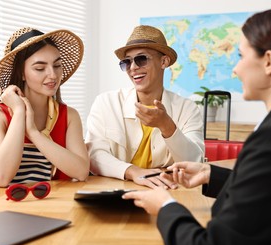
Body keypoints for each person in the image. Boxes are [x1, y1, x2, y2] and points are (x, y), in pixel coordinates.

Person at [123, 5, 271, 245]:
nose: (236, 70)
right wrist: (211, 175)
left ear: (269, 62)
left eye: (240, 56)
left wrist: (165, 207)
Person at [85, 25, 204, 188]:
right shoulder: (105, 103)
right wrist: (133, 171)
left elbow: (195, 162)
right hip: (115, 191)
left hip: (168, 190)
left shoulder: (188, 108)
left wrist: (166, 126)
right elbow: (94, 155)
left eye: (141, 59)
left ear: (164, 61)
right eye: (126, 62)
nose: (133, 67)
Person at [0, 27, 90, 187]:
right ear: (21, 73)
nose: (53, 75)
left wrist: (33, 133)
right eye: (40, 68)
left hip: (59, 205)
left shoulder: (69, 116)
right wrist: (19, 112)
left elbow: (81, 172)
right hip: (7, 207)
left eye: (57, 65)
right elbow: (1, 177)